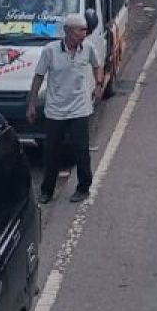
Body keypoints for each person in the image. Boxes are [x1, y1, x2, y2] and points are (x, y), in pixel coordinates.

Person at [26, 13, 105, 204]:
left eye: (85, 30)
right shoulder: (50, 51)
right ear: (68, 31)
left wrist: (99, 84)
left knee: (81, 151)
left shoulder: (88, 48)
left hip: (79, 109)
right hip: (55, 110)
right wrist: (31, 104)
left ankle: (83, 187)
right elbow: (38, 76)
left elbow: (97, 66)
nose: (84, 33)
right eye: (80, 30)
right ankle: (47, 190)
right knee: (52, 152)